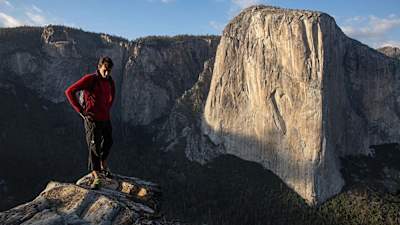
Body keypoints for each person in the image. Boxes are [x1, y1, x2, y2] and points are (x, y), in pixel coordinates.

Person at [65, 56, 115, 189]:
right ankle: (96, 175)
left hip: (105, 118)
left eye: (109, 70)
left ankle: (103, 164)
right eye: (105, 70)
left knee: (109, 141)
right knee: (94, 146)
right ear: (99, 67)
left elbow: (112, 95)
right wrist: (81, 111)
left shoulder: (110, 81)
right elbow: (69, 91)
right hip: (92, 119)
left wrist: (106, 108)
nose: (107, 73)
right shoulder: (90, 79)